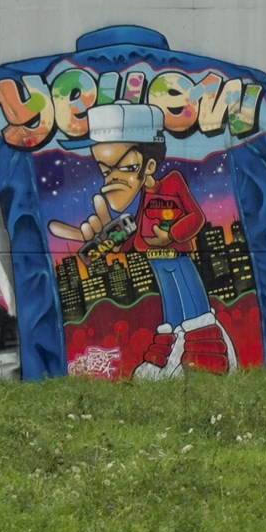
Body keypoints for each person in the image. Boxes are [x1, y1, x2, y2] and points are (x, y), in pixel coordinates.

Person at [49, 104, 237, 380]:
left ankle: (209, 357)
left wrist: (171, 235)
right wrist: (112, 244)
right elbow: (137, 239)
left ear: (148, 165)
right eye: (105, 170)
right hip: (156, 263)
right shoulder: (140, 203)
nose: (112, 178)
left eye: (126, 167)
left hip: (177, 259)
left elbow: (195, 218)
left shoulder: (172, 183)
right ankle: (168, 356)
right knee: (171, 312)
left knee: (194, 308)